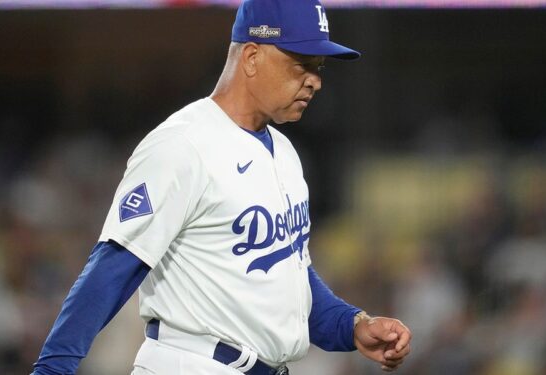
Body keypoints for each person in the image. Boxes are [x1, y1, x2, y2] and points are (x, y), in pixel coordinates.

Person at [32, 0, 412, 374]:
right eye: (302, 63)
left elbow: (289, 281)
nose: (315, 80)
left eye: (319, 67)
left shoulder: (284, 151)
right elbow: (112, 267)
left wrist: (353, 325)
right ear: (250, 57)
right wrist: (53, 368)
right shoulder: (183, 145)